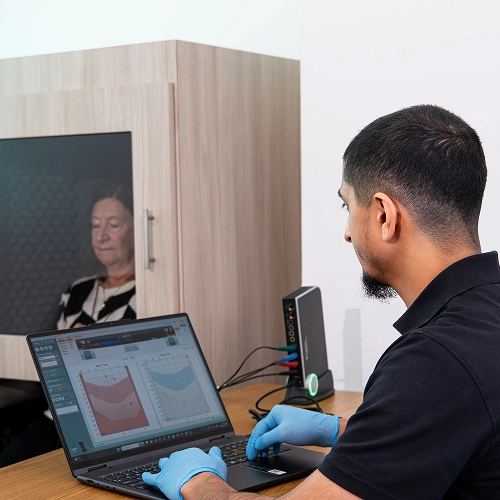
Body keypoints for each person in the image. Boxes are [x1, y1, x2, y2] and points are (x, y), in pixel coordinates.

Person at [140, 105, 500, 499]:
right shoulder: (482, 321)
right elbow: (449, 425)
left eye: (348, 206)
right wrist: (338, 429)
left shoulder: (437, 362)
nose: (347, 234)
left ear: (384, 216)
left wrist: (200, 481)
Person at [57, 183, 136, 328]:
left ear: (136, 230)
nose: (101, 236)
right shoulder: (76, 291)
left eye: (114, 225)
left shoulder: (145, 294)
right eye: (96, 225)